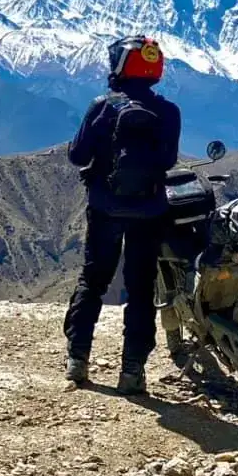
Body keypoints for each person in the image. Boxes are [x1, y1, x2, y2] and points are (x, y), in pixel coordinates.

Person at [63, 35, 181, 394]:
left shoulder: (102, 107)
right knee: (141, 288)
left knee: (93, 281)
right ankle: (132, 371)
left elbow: (78, 157)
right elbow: (168, 161)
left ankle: (77, 360)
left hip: (105, 209)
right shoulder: (169, 111)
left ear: (120, 65)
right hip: (150, 211)